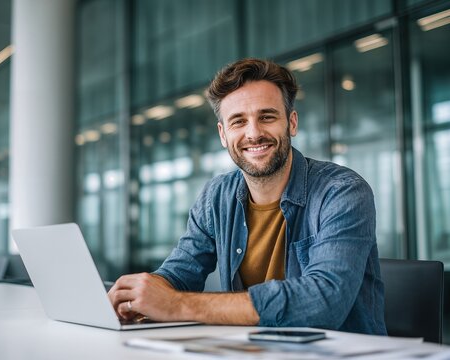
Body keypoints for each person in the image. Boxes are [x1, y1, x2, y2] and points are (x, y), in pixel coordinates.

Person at [108, 58, 387, 335]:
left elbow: (324, 301)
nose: (253, 133)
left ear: (291, 122)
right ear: (223, 134)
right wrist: (139, 294)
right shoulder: (216, 196)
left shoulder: (342, 191)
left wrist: (175, 305)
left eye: (267, 117)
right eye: (238, 121)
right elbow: (181, 272)